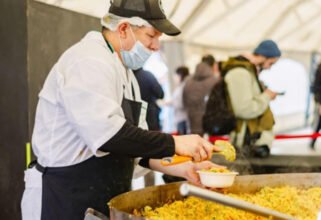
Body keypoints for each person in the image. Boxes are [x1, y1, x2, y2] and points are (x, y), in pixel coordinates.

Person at [21, 1, 221, 219]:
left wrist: (181, 169)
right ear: (124, 29)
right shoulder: (88, 60)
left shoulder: (126, 73)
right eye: (151, 36)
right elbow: (108, 136)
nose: (156, 46)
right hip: (63, 195)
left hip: (100, 196)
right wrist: (175, 143)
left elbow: (136, 148)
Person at [223, 40, 281, 158]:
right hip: (243, 141)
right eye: (271, 63)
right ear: (262, 56)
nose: (269, 68)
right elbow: (244, 109)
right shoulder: (240, 72)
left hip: (248, 138)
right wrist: (267, 96)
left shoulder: (248, 70)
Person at [183, 55, 219, 135]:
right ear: (214, 65)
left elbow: (184, 101)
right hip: (210, 125)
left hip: (192, 123)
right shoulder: (215, 81)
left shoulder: (188, 80)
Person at [171, 66, 190, 135]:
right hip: (181, 118)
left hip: (183, 118)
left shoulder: (184, 87)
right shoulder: (181, 86)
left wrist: (171, 103)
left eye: (175, 76)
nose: (174, 79)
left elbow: (181, 103)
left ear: (180, 75)